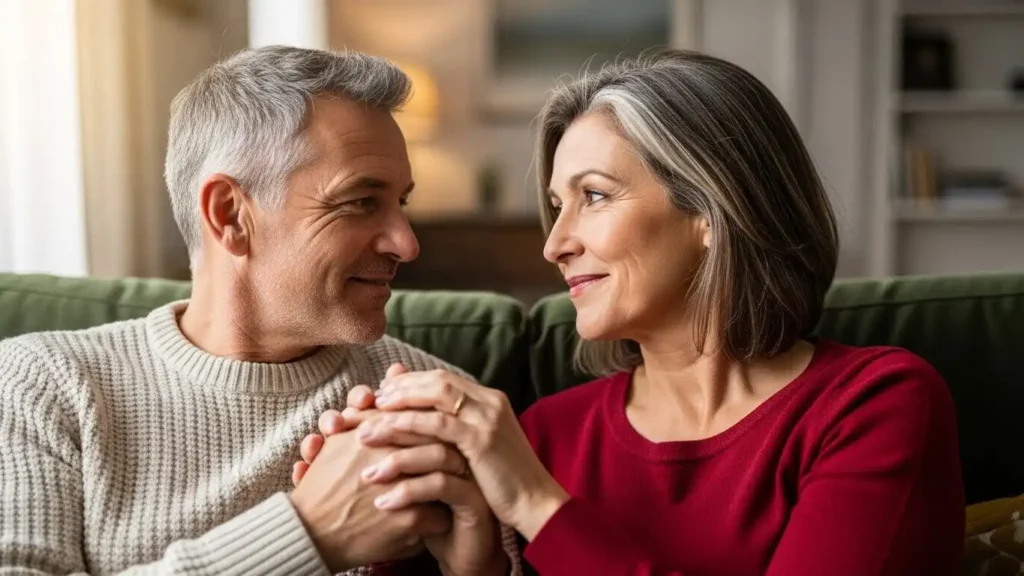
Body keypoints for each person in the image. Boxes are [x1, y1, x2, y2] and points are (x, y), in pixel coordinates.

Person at [294, 50, 966, 575]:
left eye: (595, 196)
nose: (557, 245)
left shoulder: (875, 404)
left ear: (711, 209)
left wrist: (537, 502)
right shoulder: (548, 434)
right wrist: (414, 531)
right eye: (557, 206)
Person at [0, 46, 518, 575]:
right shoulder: (44, 385)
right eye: (361, 201)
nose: (406, 244)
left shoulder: (435, 400)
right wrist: (309, 533)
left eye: (400, 204)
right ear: (230, 215)